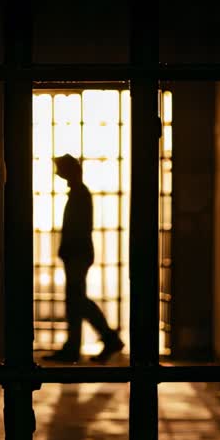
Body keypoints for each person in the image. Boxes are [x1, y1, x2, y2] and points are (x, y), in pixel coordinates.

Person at [43, 154, 125, 364]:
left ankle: (106, 339)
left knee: (77, 300)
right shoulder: (80, 193)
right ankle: (89, 343)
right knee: (76, 301)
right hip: (78, 253)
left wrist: (67, 250)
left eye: (59, 169)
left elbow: (77, 229)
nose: (56, 173)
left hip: (77, 254)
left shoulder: (79, 194)